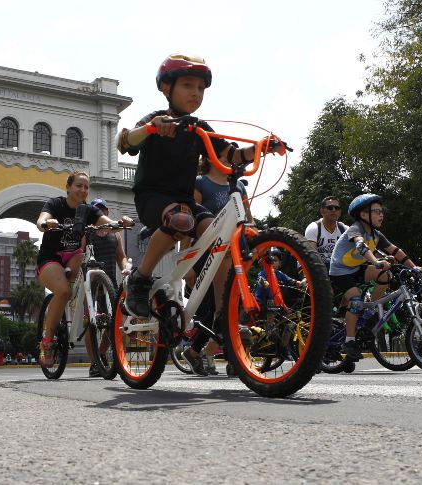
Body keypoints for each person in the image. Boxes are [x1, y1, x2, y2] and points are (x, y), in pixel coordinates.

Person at [116, 54, 282, 370]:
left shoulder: (198, 127)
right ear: (167, 88)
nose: (196, 93)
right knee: (180, 218)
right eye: (188, 86)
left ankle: (224, 316)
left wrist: (261, 146)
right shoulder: (156, 119)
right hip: (153, 198)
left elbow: (230, 154)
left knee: (219, 237)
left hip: (184, 201)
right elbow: (125, 142)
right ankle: (141, 278)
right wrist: (152, 129)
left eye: (201, 88)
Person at [35, 171, 133, 368]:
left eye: (86, 187)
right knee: (63, 291)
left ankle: (85, 296)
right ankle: (47, 340)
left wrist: (121, 223)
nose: (83, 190)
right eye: (78, 185)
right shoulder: (56, 204)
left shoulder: (88, 210)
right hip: (51, 259)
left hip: (73, 257)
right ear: (68, 187)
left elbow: (108, 224)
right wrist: (46, 223)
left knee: (84, 258)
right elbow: (41, 220)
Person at [181, 153, 254, 376]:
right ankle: (233, 357)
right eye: (225, 155)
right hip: (208, 252)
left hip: (235, 253)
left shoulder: (239, 186)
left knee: (225, 307)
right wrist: (187, 263)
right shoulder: (200, 183)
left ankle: (195, 353)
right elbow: (188, 224)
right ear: (211, 157)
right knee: (221, 307)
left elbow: (249, 218)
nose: (231, 160)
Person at [329, 193, 422, 361]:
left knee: (385, 276)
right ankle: (349, 341)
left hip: (356, 269)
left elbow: (395, 251)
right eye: (377, 211)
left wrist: (414, 267)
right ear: (364, 215)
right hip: (340, 272)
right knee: (356, 301)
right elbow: (360, 246)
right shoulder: (356, 229)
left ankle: (370, 308)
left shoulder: (376, 235)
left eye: (382, 211)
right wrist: (376, 261)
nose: (381, 214)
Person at [87, 198, 131, 377]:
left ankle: (101, 353)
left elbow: (120, 256)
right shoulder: (87, 232)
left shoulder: (115, 234)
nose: (102, 213)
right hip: (91, 283)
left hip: (110, 283)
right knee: (89, 322)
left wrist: (125, 268)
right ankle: (94, 363)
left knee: (114, 322)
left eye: (104, 210)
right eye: (98, 210)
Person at [304, 196, 348, 273]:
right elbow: (311, 255)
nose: (334, 210)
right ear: (322, 211)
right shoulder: (314, 228)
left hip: (336, 266)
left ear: (340, 212)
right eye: (330, 207)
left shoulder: (344, 229)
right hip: (312, 265)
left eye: (337, 208)